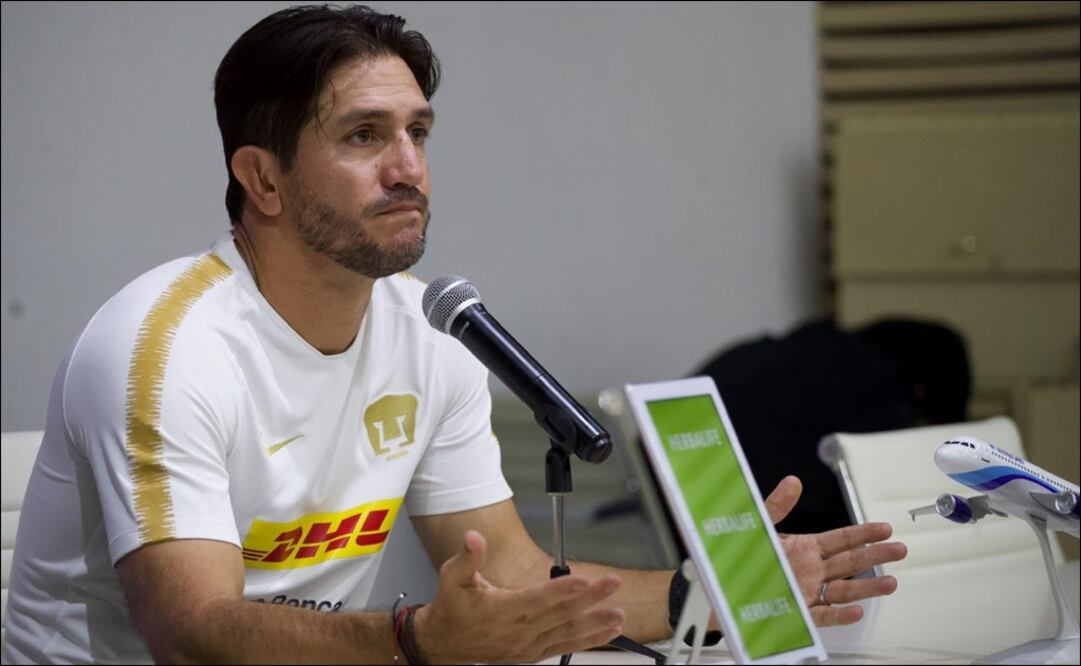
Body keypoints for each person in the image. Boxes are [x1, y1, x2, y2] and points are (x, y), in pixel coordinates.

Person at [1, 6, 907, 664]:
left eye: (418, 133)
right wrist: (414, 640)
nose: (409, 170)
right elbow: (191, 635)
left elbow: (509, 569)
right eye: (364, 135)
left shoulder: (435, 332)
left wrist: (700, 591)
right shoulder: (162, 350)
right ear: (262, 179)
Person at [693, 318, 971, 535]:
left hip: (665, 472)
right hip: (708, 524)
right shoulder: (877, 400)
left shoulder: (804, 346)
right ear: (921, 392)